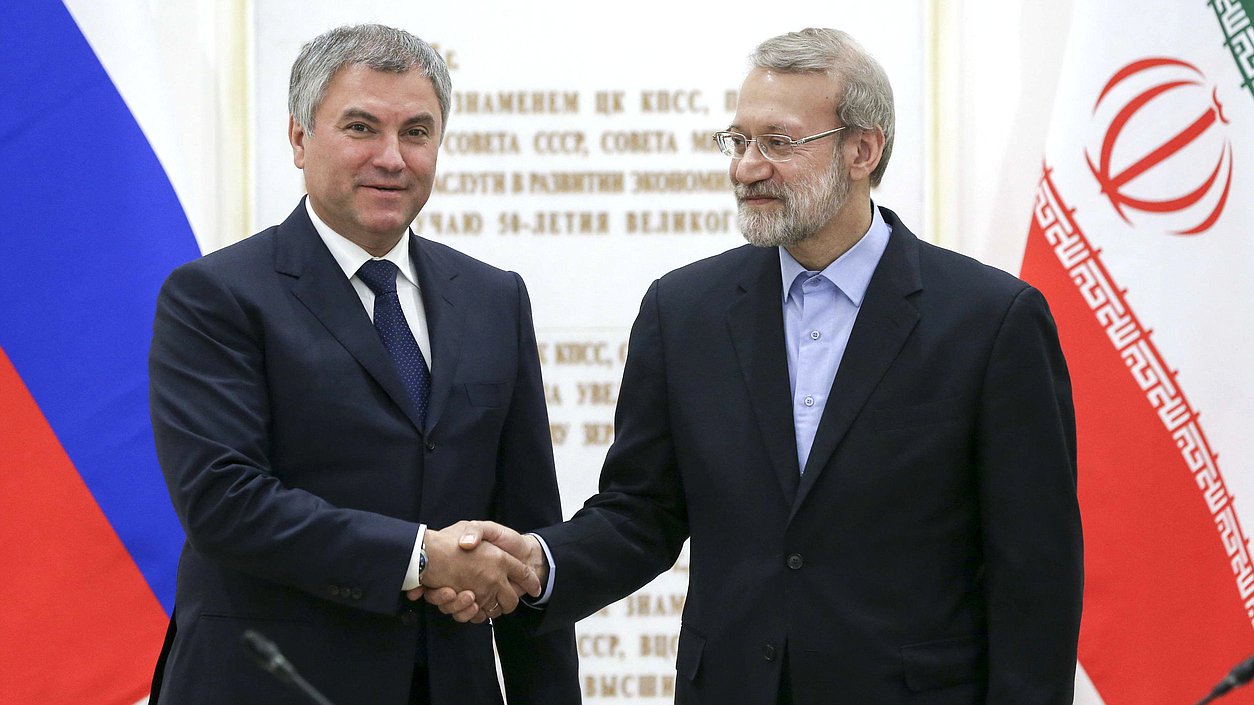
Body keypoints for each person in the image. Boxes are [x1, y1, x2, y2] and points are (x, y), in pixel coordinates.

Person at [433, 27, 1083, 705]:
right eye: (738, 140)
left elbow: (1035, 573)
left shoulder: (991, 320)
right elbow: (641, 513)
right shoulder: (683, 311)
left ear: (862, 150)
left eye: (779, 141)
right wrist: (541, 563)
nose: (747, 167)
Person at [147, 24, 578, 705]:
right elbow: (224, 501)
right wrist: (417, 555)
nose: (391, 157)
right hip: (268, 683)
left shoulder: (495, 297)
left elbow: (524, 535)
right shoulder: (216, 296)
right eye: (360, 127)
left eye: (416, 131)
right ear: (299, 138)